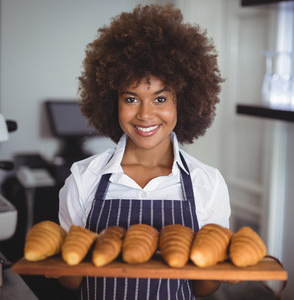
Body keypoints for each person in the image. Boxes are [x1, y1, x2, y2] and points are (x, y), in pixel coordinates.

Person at [57, 3, 231, 299]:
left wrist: (222, 269)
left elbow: (204, 288)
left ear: (183, 102)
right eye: (131, 98)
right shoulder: (83, 179)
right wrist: (57, 266)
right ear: (112, 102)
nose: (145, 114)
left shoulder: (208, 184)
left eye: (160, 99)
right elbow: (71, 282)